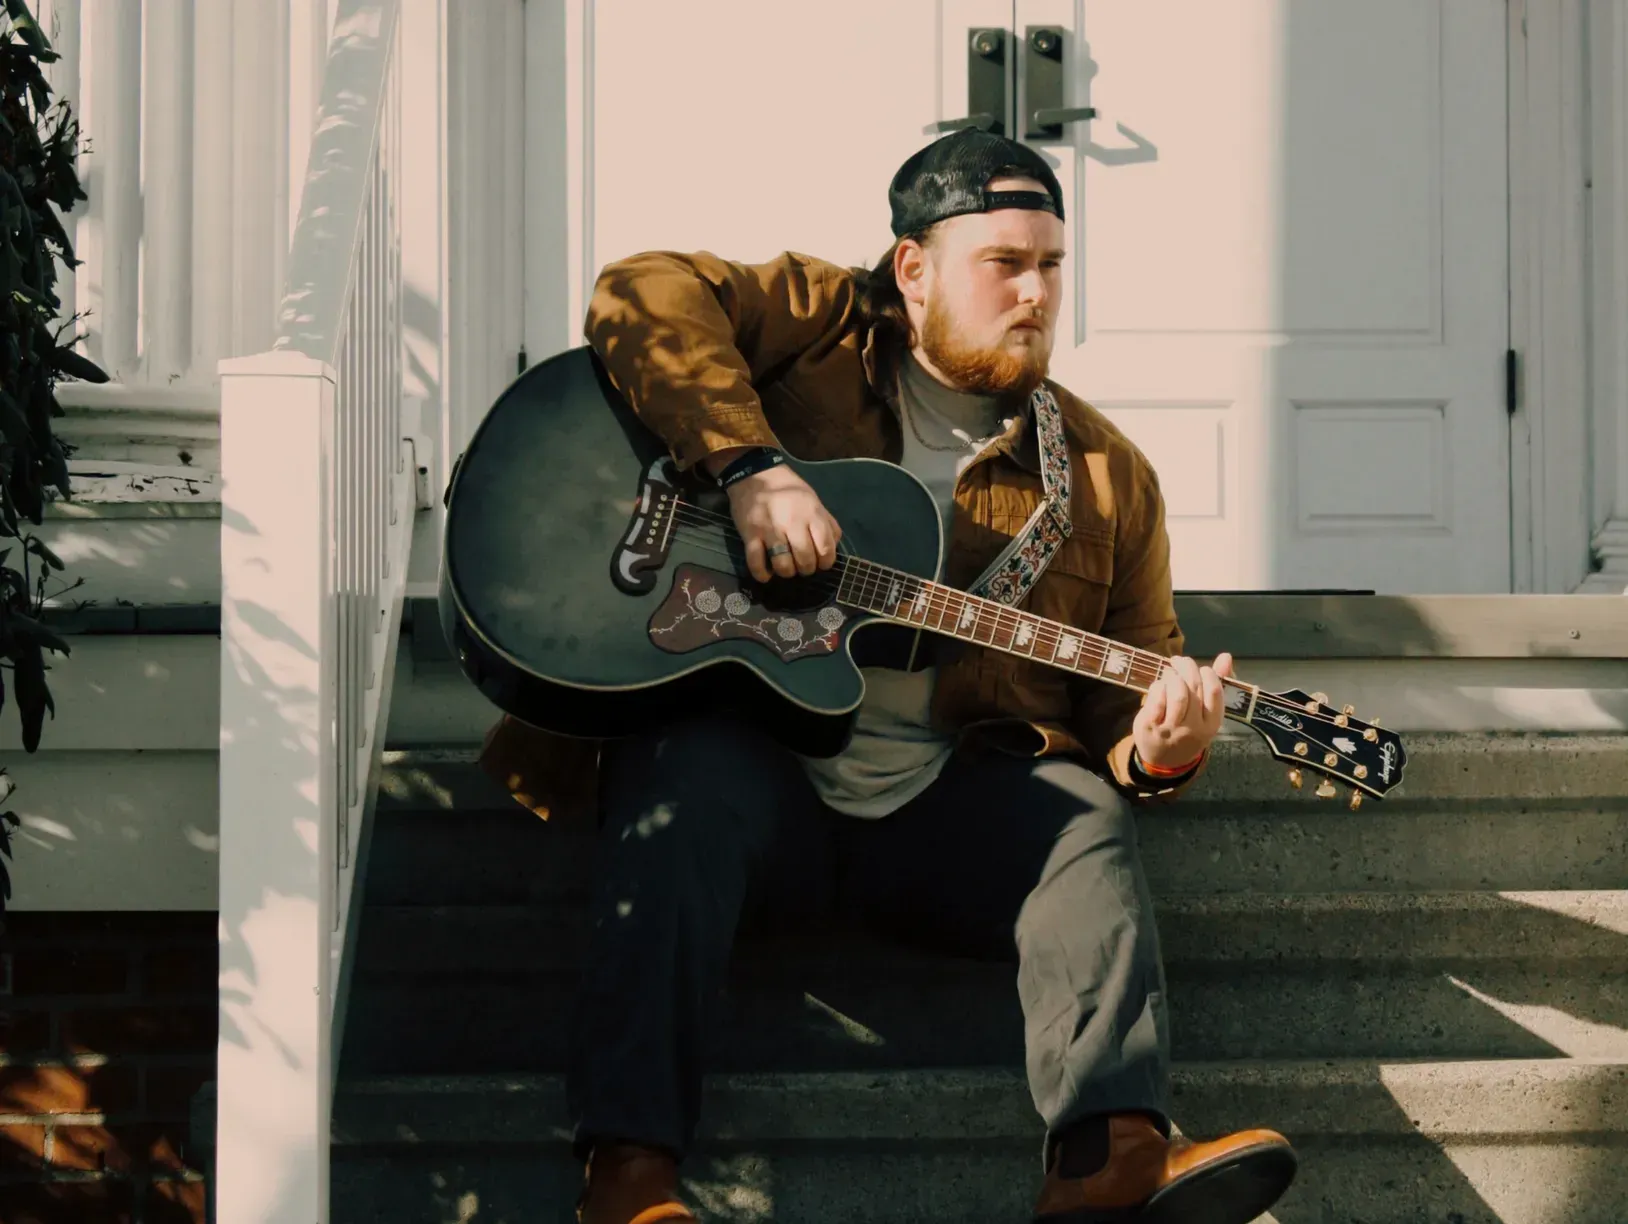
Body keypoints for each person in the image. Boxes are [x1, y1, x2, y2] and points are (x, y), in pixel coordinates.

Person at [479, 128, 1298, 1224]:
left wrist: (1158, 749)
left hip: (932, 817)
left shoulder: (1102, 478)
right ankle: (628, 1181)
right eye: (1001, 263)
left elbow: (1121, 701)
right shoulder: (813, 326)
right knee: (682, 782)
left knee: (1084, 816)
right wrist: (750, 468)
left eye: (1050, 266)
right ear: (911, 270)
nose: (1034, 292)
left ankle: (1112, 1157)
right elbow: (641, 294)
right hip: (755, 786)